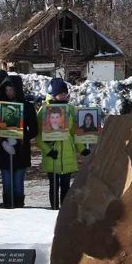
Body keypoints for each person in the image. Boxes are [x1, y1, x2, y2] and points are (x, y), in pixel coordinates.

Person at [0, 74, 38, 208]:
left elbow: (34, 129)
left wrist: (22, 137)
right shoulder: (0, 106)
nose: (9, 92)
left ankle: (18, 204)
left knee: (18, 182)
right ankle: (7, 203)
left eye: (11, 89)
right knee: (6, 181)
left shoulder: (27, 107)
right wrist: (3, 142)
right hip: (4, 149)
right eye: (6, 90)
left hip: (21, 149)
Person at [37, 77, 80, 209]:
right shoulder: (44, 111)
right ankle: (53, 210)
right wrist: (49, 151)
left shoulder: (71, 110)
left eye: (65, 93)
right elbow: (38, 137)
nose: (64, 95)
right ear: (54, 94)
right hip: (52, 156)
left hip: (68, 155)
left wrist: (82, 148)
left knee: (66, 186)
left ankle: (64, 212)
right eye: (61, 93)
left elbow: (76, 132)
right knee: (54, 185)